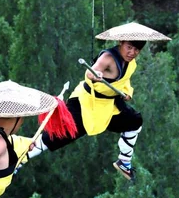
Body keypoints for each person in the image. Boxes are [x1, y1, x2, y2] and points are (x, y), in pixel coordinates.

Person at [27, 22, 170, 181]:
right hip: (86, 103)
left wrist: (127, 93)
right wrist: (96, 75)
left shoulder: (131, 63)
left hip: (109, 105)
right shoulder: (108, 58)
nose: (132, 52)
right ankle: (21, 157)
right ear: (121, 42)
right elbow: (91, 72)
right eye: (129, 47)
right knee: (61, 134)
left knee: (134, 120)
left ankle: (124, 161)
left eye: (136, 50)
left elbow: (125, 82)